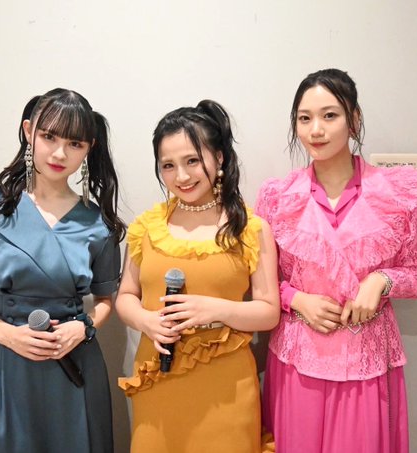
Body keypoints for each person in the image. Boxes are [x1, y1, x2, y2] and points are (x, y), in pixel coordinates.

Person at [256, 69, 417, 453]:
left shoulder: (399, 193)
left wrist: (382, 280)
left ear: (353, 119)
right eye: (304, 118)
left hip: (365, 359)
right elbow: (258, 278)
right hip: (297, 359)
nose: (316, 130)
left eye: (330, 115)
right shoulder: (277, 197)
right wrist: (296, 299)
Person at [0, 88, 125, 453]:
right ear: (29, 132)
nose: (59, 153)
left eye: (74, 143)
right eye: (49, 136)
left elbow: (106, 300)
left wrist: (84, 327)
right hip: (5, 364)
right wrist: (8, 336)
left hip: (75, 364)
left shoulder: (98, 223)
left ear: (88, 148)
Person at [116, 100, 280, 453]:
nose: (182, 176)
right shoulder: (146, 227)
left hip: (225, 383)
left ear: (218, 158)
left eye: (192, 160)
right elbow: (125, 296)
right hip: (157, 373)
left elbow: (269, 312)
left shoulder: (251, 228)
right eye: (168, 165)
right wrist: (146, 321)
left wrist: (214, 309)